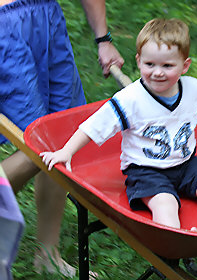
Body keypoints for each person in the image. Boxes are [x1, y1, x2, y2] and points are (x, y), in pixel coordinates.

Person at [40, 18, 197, 234]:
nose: (157, 72)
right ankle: (177, 238)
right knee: (165, 202)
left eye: (167, 66)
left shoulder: (193, 90)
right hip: (145, 171)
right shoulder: (131, 99)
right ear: (138, 61)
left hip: (185, 163)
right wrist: (66, 151)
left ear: (185, 66)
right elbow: (94, 126)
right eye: (150, 65)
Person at [0, 0, 123, 277]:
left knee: (65, 136)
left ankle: (47, 254)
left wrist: (103, 38)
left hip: (47, 18)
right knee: (35, 145)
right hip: (4, 26)